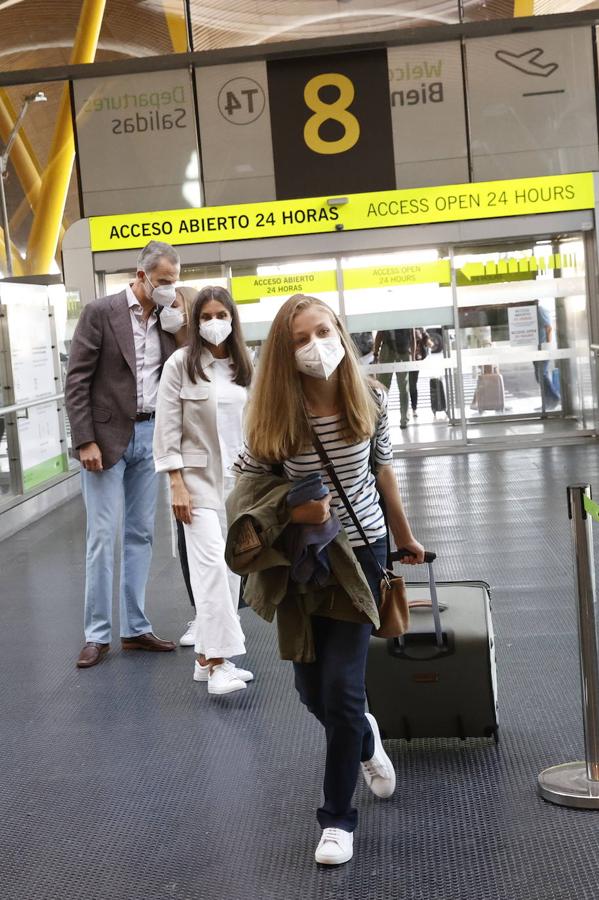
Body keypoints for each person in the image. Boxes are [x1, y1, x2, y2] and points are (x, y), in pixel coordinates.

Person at [228, 294, 423, 865]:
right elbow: (245, 492)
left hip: (362, 554)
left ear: (339, 330)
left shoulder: (372, 397)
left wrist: (404, 536)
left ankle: (338, 817)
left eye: (323, 331)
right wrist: (293, 509)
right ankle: (364, 735)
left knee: (340, 687)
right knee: (312, 691)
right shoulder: (272, 416)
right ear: (285, 355)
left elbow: (381, 468)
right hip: (306, 564)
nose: (316, 346)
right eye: (300, 339)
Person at [65, 240, 180, 669]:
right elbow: (77, 380)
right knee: (101, 537)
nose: (169, 287)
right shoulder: (101, 312)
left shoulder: (168, 321)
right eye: (163, 281)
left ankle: (134, 628)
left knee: (141, 535)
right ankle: (97, 634)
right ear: (141, 275)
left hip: (150, 436)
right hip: (106, 438)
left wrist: (179, 318)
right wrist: (84, 440)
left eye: (174, 281)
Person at [153, 286, 254, 695]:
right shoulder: (181, 363)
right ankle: (217, 666)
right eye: (206, 316)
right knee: (210, 566)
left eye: (221, 314)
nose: (214, 322)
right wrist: (175, 482)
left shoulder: (246, 366)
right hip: (195, 482)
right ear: (196, 323)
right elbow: (167, 426)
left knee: (231, 570)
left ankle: (206, 659)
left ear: (232, 319)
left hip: (240, 482)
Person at [373, 328, 415, 428]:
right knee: (401, 388)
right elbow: (412, 336)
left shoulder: (388, 315)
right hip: (401, 351)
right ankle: (403, 419)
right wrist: (412, 357)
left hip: (391, 350)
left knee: (383, 388)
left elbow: (380, 333)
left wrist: (376, 352)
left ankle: (381, 419)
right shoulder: (406, 315)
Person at [534, 303, 561, 411]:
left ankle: (554, 398)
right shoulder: (534, 310)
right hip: (536, 347)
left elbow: (548, 328)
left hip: (543, 347)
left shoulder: (539, 310)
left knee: (542, 374)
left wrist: (548, 345)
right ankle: (547, 402)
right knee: (539, 375)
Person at [409, 327, 433, 418]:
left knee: (412, 386)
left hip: (415, 361)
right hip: (406, 358)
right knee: (407, 387)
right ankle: (412, 409)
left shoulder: (419, 328)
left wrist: (423, 338)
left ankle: (414, 409)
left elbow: (430, 343)